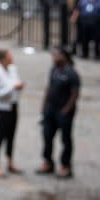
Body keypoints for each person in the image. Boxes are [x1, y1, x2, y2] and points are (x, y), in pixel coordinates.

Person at [37, 46, 79, 179]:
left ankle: (66, 166)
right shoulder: (53, 70)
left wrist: (66, 110)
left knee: (65, 139)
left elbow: (74, 94)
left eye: (56, 56)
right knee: (47, 136)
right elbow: (48, 88)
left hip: (63, 111)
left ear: (63, 57)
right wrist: (43, 107)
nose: (53, 58)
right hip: (50, 109)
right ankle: (48, 162)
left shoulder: (72, 74)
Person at [0, 49, 23, 177]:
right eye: (10, 56)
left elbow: (16, 82)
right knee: (0, 135)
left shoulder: (12, 68)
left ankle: (10, 162)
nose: (12, 58)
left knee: (11, 135)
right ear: (3, 58)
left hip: (13, 105)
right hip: (1, 108)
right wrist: (13, 88)